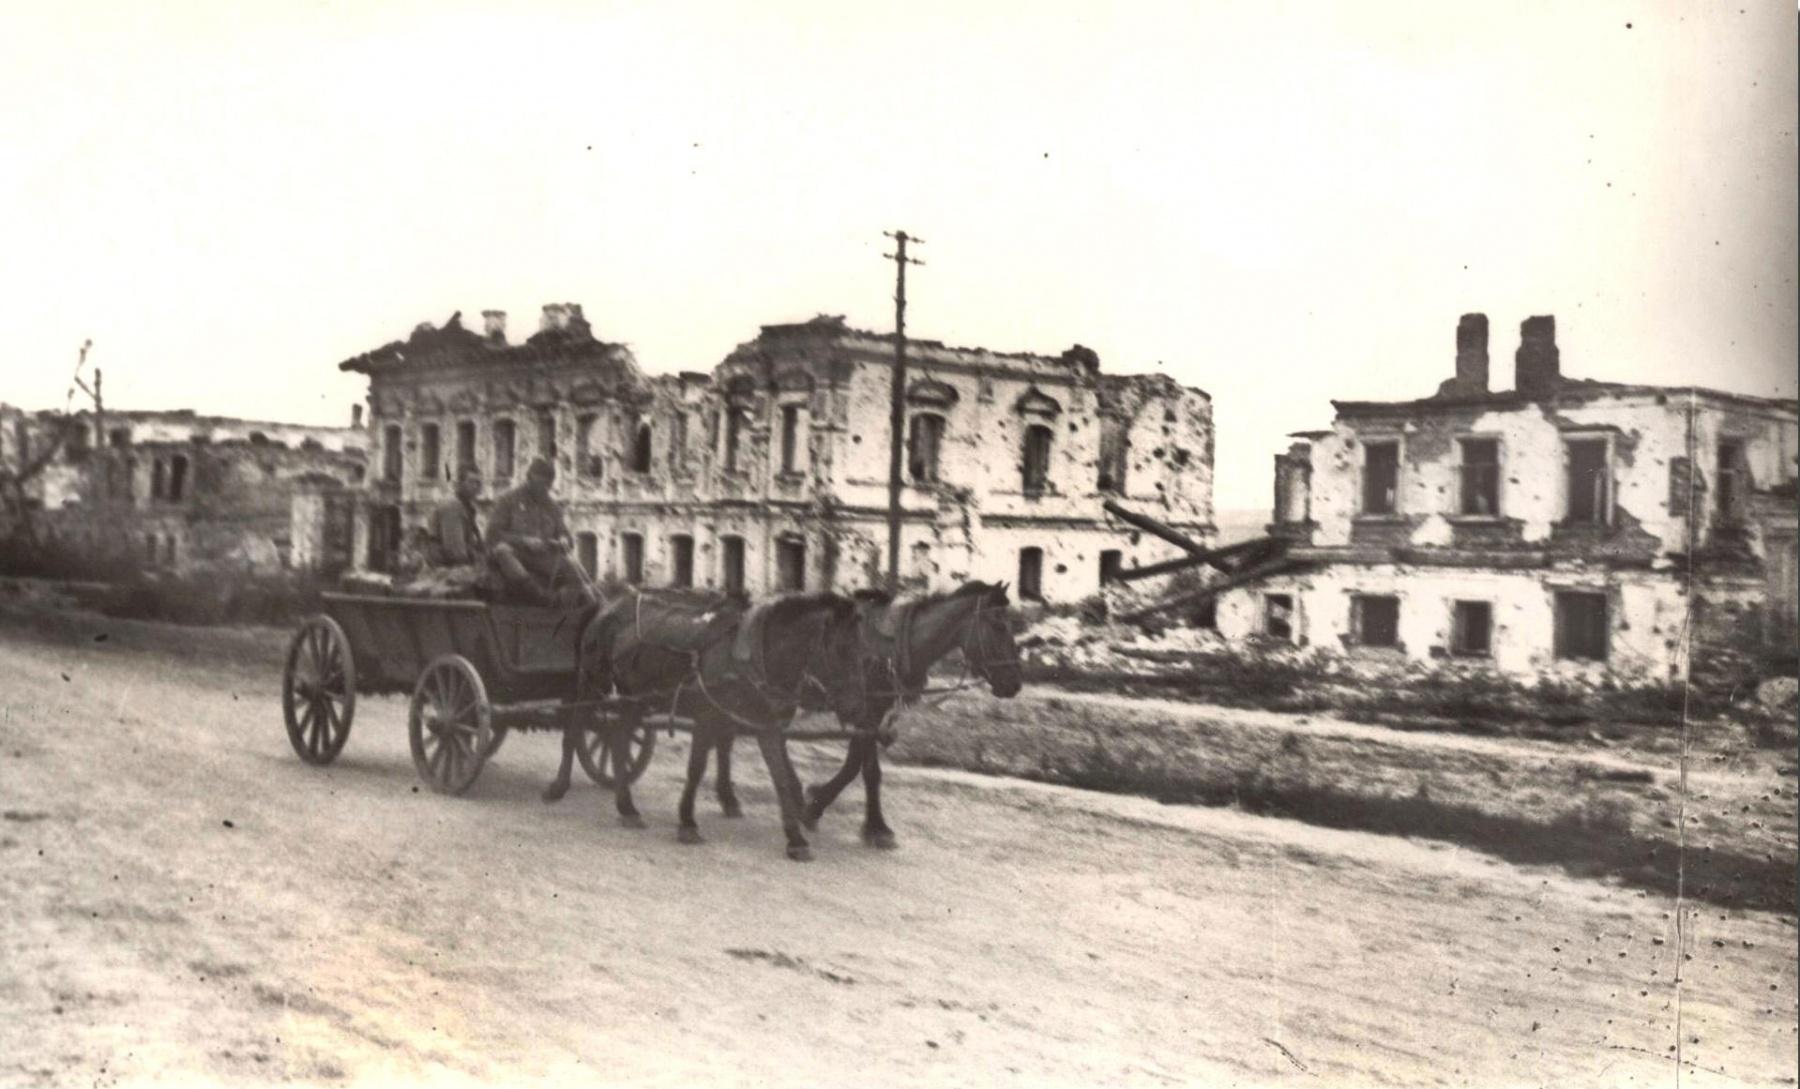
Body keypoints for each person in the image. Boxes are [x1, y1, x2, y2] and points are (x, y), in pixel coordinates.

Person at [485, 457, 593, 606]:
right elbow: (492, 535)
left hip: (542, 558)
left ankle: (566, 607)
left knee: (574, 571)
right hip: (516, 556)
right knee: (502, 551)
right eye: (540, 484)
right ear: (529, 478)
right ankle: (540, 597)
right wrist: (523, 541)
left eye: (548, 485)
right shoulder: (508, 501)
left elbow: (566, 535)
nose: (544, 489)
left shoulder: (552, 506)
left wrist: (564, 539)